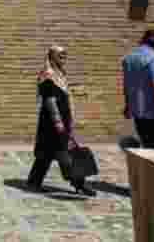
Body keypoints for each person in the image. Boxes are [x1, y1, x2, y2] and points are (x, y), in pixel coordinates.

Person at [26, 45, 97, 196]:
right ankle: (79, 183)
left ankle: (34, 181)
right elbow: (50, 101)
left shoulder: (60, 74)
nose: (63, 58)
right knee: (65, 153)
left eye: (65, 55)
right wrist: (58, 122)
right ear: (51, 57)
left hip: (62, 121)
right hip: (51, 123)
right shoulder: (47, 75)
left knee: (46, 154)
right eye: (60, 55)